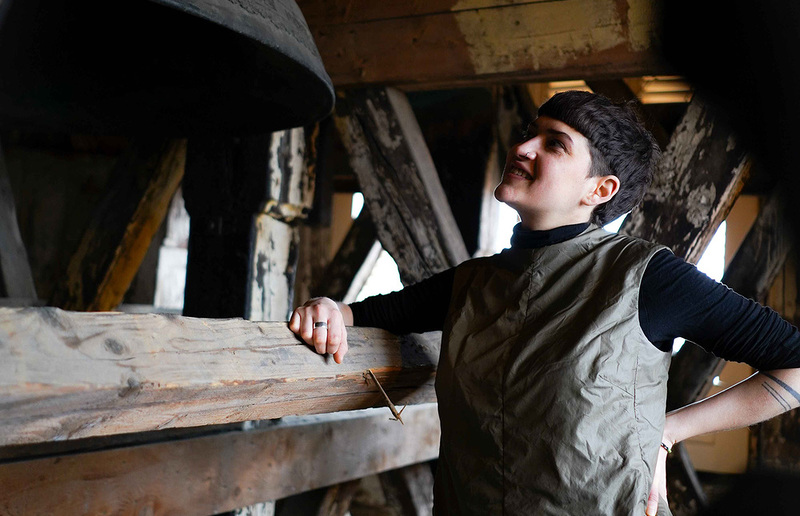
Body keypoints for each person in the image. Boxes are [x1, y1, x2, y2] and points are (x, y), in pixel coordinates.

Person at [288, 91, 800, 515]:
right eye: (531, 131)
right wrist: (329, 308)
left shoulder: (646, 277)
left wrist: (666, 431)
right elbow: (365, 313)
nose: (524, 146)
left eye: (554, 143)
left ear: (600, 188)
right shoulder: (473, 282)